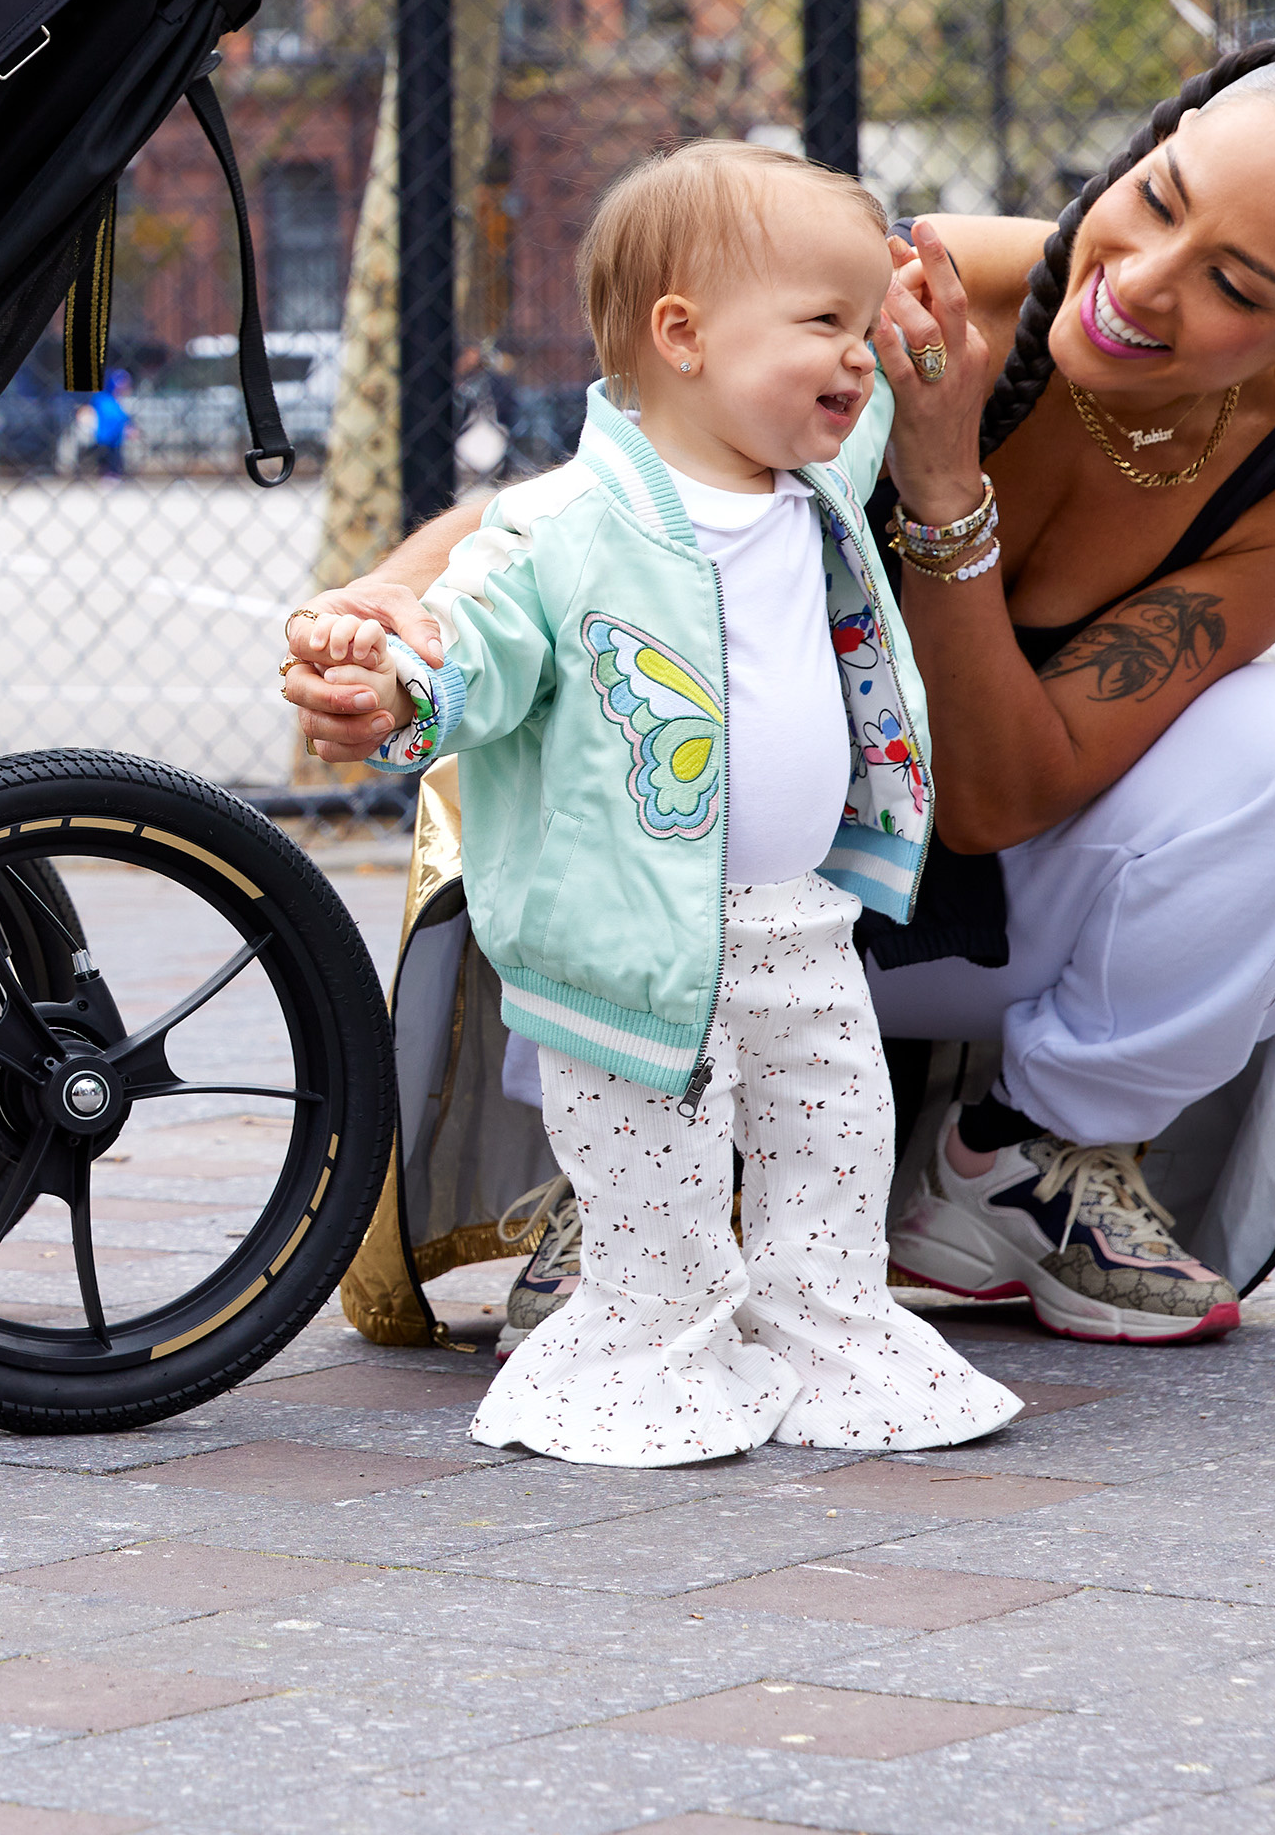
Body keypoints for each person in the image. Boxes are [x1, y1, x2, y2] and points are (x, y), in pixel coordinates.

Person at [288, 48, 1275, 1347]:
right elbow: (601, 515)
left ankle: (1020, 1165)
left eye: (1234, 286)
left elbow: (991, 803)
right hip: (681, 895)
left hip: (956, 928)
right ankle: (651, 1170)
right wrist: (390, 613)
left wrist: (942, 490)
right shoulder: (910, 284)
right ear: (1153, 146)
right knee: (662, 676)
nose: (1142, 279)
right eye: (1157, 197)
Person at [316, 139, 1020, 1466]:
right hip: (634, 950)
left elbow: (912, 329)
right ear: (683, 335)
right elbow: (473, 654)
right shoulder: (561, 524)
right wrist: (396, 686)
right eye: (823, 322)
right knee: (658, 1184)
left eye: (864, 323)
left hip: (802, 922)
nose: (859, 354)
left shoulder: (816, 476)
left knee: (838, 1142)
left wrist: (917, 290)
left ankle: (824, 1333)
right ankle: (653, 1350)